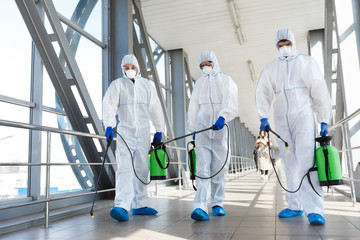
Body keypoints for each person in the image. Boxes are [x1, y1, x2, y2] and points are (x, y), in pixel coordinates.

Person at [255, 29, 332, 225]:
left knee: (307, 161)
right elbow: (263, 91)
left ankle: (314, 209)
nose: (283, 47)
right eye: (279, 45)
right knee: (289, 163)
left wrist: (323, 119)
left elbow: (319, 90)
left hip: (304, 117)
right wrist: (263, 116)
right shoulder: (271, 68)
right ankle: (294, 205)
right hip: (281, 120)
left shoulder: (306, 63)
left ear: (293, 42)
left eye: (286, 43)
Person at [103, 54, 165, 221]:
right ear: (122, 69)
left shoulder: (146, 86)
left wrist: (159, 128)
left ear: (137, 68)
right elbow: (109, 105)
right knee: (124, 168)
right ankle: (122, 205)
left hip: (144, 132)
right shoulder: (117, 85)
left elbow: (155, 108)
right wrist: (109, 124)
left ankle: (140, 204)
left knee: (142, 168)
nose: (129, 70)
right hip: (125, 132)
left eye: (132, 67)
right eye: (126, 68)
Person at [187, 50, 238, 221]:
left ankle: (217, 203)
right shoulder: (199, 83)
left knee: (218, 168)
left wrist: (223, 116)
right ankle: (200, 206)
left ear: (214, 63)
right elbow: (193, 106)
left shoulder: (225, 80)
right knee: (202, 168)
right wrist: (193, 127)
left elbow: (231, 99)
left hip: (220, 129)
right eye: (203, 65)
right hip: (202, 128)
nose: (206, 67)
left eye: (208, 64)